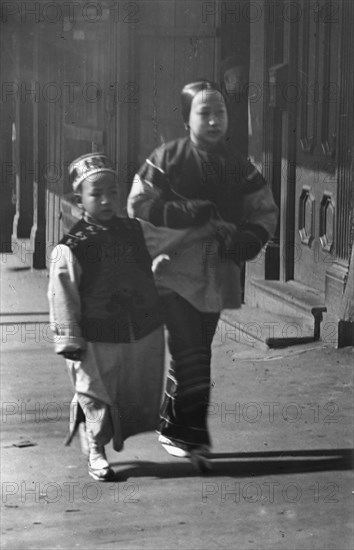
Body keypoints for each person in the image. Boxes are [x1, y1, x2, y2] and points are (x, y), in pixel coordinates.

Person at [127, 80, 278, 469]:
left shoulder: (240, 165)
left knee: (195, 350)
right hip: (173, 270)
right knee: (191, 350)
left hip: (217, 272)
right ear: (186, 118)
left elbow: (264, 210)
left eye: (220, 113)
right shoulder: (166, 157)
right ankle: (191, 437)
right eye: (204, 113)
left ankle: (171, 423)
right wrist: (183, 214)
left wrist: (245, 239)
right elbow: (137, 202)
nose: (213, 121)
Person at [47, 152, 210, 480]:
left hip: (138, 330)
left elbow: (169, 238)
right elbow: (61, 296)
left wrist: (203, 229)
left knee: (124, 393)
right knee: (95, 392)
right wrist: (69, 338)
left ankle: (98, 437)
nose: (106, 200)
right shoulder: (71, 247)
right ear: (80, 199)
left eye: (112, 192)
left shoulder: (134, 230)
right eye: (96, 194)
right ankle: (95, 449)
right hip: (95, 336)